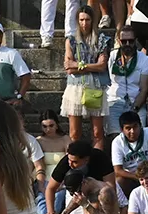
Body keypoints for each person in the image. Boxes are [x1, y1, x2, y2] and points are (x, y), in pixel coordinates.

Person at [60, 5, 107, 144]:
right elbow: (68, 67)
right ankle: (75, 162)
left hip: (96, 86)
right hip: (75, 87)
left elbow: (102, 66)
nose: (84, 23)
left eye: (87, 20)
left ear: (92, 20)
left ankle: (97, 163)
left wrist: (79, 65)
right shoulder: (71, 40)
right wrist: (92, 67)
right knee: (74, 132)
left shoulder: (101, 39)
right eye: (81, 20)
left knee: (97, 132)